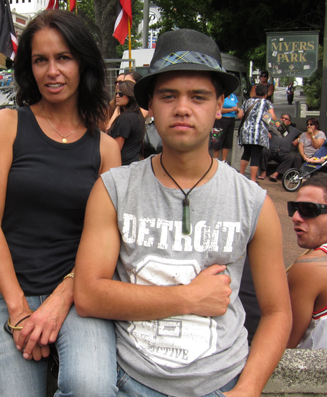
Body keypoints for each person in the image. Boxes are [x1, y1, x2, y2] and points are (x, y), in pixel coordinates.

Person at [74, 28, 291, 397]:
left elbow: (277, 312)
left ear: (220, 103)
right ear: (151, 106)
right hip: (129, 381)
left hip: (222, 383)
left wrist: (249, 388)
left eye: (199, 96)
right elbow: (89, 294)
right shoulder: (113, 189)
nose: (182, 108)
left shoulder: (254, 202)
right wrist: (189, 297)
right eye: (168, 95)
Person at [0, 10, 121, 397]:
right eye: (41, 60)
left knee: (92, 388)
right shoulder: (6, 125)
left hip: (77, 294)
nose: (52, 71)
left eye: (64, 58)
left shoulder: (105, 149)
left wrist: (60, 300)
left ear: (83, 63)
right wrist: (19, 310)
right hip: (3, 292)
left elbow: (105, 242)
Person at [286, 173, 327, 349]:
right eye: (294, 208)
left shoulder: (311, 267)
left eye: (309, 209)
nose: (296, 217)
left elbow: (283, 344)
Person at [238, 83, 277, 182]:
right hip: (259, 133)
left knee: (246, 153)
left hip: (246, 131)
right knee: (255, 155)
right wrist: (265, 116)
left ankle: (241, 175)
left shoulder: (247, 102)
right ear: (266, 93)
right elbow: (273, 118)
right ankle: (252, 180)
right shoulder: (266, 103)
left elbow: (240, 116)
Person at [108, 80, 145, 165]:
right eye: (116, 93)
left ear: (130, 95)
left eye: (121, 94)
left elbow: (115, 149)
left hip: (122, 166)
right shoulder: (138, 116)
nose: (117, 96)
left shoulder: (125, 118)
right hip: (134, 165)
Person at [260, 113, 302, 182]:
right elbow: (262, 127)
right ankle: (263, 172)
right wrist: (266, 132)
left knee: (290, 157)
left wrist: (298, 139)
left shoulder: (293, 130)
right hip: (271, 150)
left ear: (289, 122)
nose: (283, 120)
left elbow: (302, 134)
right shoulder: (274, 126)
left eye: (286, 119)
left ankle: (275, 174)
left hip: (282, 153)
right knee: (264, 151)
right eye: (282, 118)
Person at [210, 91, 238, 162]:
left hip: (231, 119)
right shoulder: (220, 95)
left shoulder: (233, 96)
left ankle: (224, 160)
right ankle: (215, 159)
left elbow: (236, 108)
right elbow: (218, 109)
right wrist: (231, 109)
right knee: (217, 139)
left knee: (228, 140)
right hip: (220, 120)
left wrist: (237, 110)